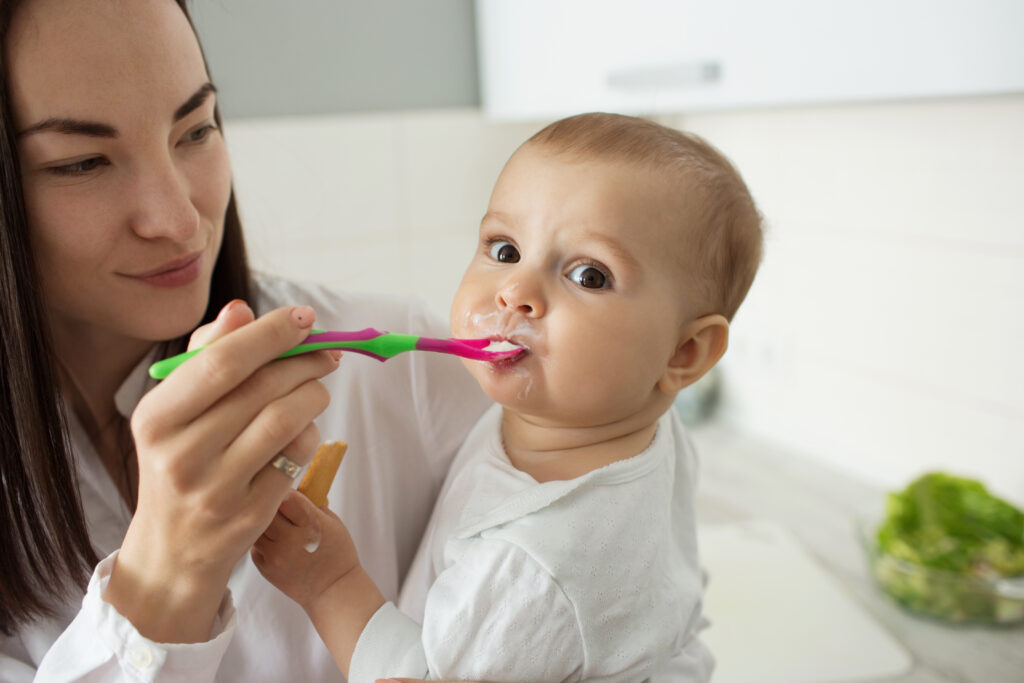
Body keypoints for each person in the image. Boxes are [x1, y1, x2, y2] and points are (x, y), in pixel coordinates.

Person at [0, 0, 490, 680]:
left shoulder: (401, 377)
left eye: (196, 129)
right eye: (83, 162)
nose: (178, 219)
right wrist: (164, 579)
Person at [253, 113, 764, 682]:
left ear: (684, 353)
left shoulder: (535, 567)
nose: (514, 292)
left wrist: (329, 583)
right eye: (504, 249)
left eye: (589, 275)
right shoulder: (631, 430)